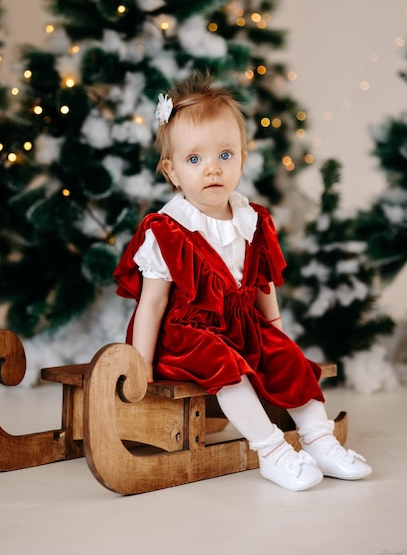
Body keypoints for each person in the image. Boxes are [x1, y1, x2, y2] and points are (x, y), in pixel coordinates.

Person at [114, 72, 372, 491]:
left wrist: (275, 331)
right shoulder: (167, 230)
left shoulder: (252, 218)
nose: (212, 168)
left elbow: (262, 281)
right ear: (172, 171)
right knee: (228, 366)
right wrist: (139, 364)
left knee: (288, 357)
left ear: (243, 159)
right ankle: (270, 449)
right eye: (194, 160)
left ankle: (320, 440)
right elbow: (153, 304)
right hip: (187, 335)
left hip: (241, 324)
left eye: (225, 155)